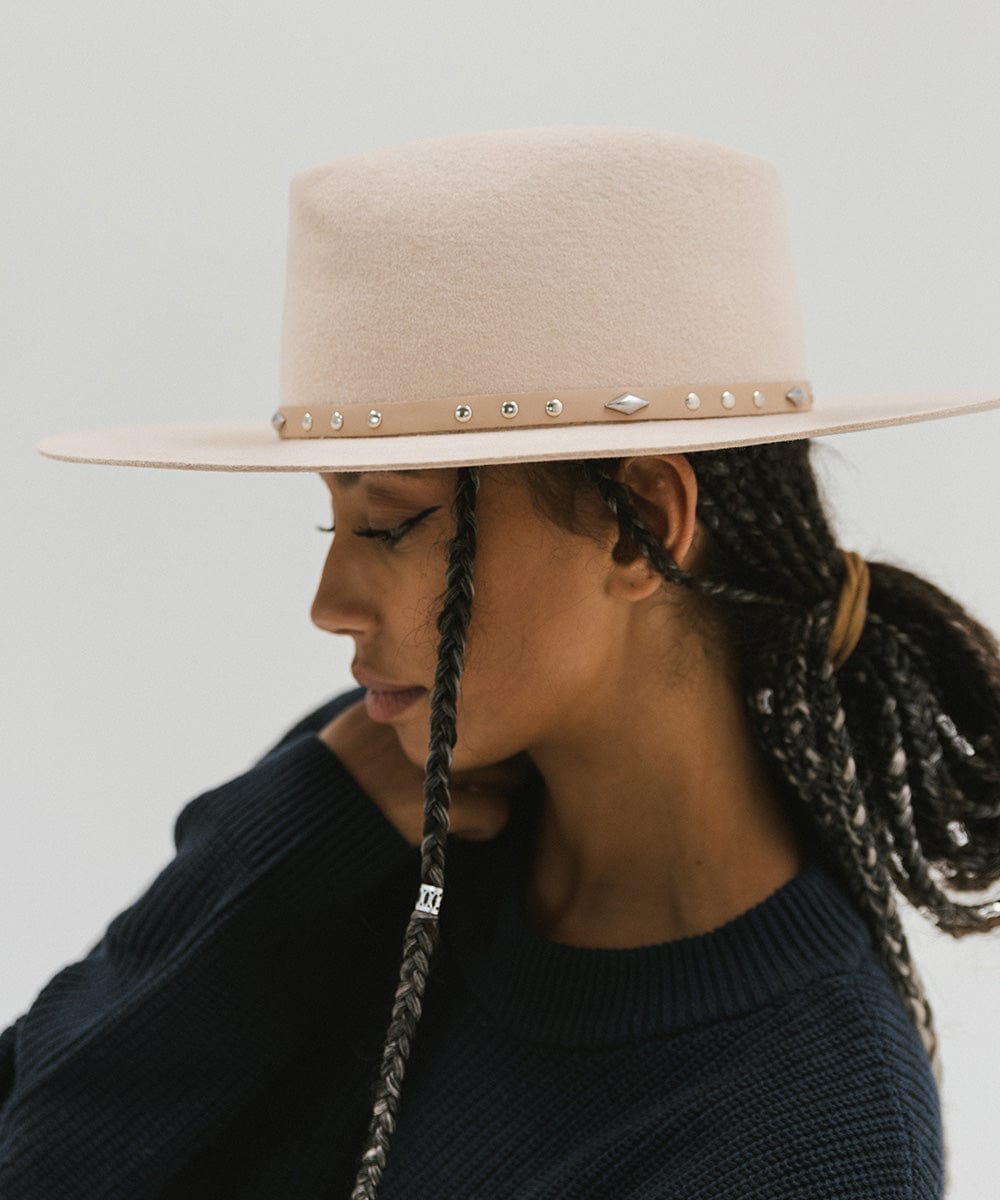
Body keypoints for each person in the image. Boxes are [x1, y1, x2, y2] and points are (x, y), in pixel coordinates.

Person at [4, 124, 1000, 1199]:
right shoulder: (372, 801)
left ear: (641, 527)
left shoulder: (805, 1142)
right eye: (327, 523)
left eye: (388, 523)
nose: (327, 606)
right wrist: (295, 841)